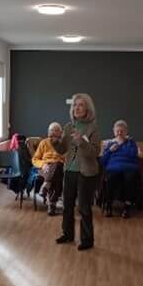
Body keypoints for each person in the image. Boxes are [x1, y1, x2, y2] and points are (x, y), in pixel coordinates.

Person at [56, 92, 102, 251]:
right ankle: (67, 234)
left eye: (80, 105)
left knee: (83, 207)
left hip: (86, 172)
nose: (77, 108)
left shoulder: (93, 127)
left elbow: (95, 152)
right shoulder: (69, 126)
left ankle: (87, 239)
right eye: (74, 105)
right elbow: (62, 149)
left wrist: (81, 141)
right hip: (69, 170)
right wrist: (55, 141)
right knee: (67, 205)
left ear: (87, 108)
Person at [98, 120, 142, 215]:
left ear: (126, 132)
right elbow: (103, 160)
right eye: (117, 131)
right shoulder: (109, 144)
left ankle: (127, 206)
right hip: (113, 167)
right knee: (110, 178)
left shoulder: (131, 142)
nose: (119, 133)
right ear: (114, 132)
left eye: (122, 131)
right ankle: (108, 205)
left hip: (129, 167)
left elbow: (133, 154)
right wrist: (110, 150)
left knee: (130, 179)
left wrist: (122, 145)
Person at [31, 123, 66, 214]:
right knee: (56, 174)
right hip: (44, 168)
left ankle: (46, 185)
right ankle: (52, 204)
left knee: (58, 166)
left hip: (59, 167)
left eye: (56, 130)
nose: (53, 133)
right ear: (48, 132)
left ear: (60, 133)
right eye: (51, 130)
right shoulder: (44, 142)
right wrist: (43, 164)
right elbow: (35, 159)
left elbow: (68, 159)